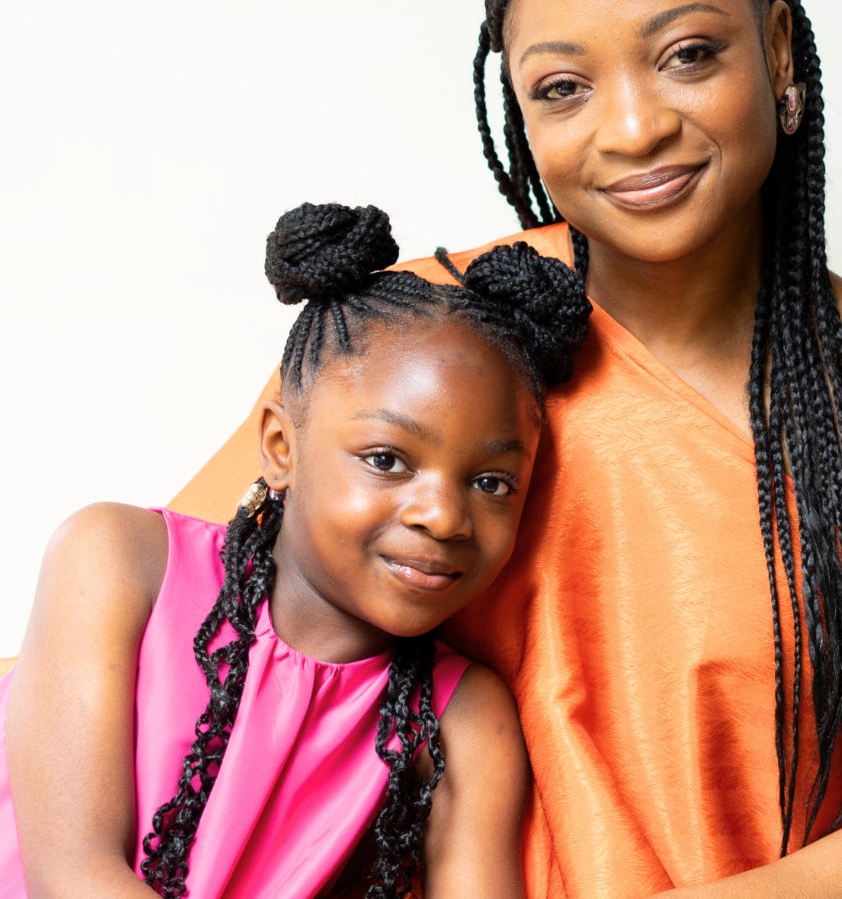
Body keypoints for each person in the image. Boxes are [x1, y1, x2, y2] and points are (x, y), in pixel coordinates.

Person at [170, 0, 842, 897]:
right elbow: (175, 611)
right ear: (517, 111)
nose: (629, 129)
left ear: (777, 51)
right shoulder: (426, 335)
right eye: (562, 87)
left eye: (684, 55)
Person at [0, 201, 591, 898]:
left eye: (492, 481)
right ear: (281, 448)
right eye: (387, 459)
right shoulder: (116, 561)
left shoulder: (464, 721)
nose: (443, 516)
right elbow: (73, 874)